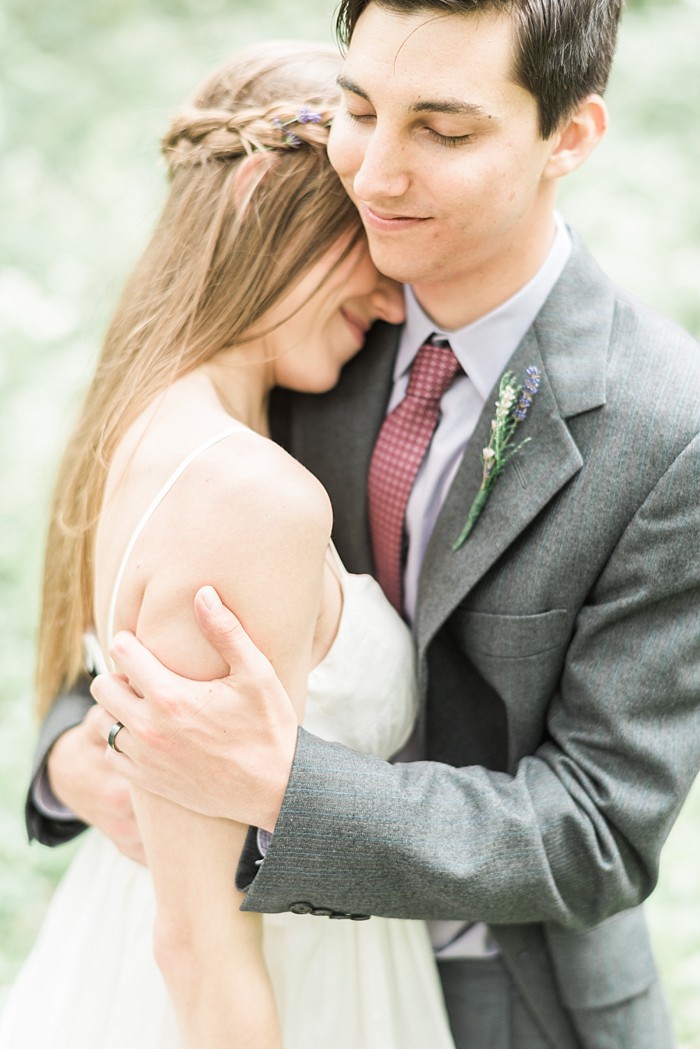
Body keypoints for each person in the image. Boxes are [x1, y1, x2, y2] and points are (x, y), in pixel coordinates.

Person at [27, 2, 700, 1048]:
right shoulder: (303, 328)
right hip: (264, 973)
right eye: (357, 108)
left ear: (568, 137)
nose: (374, 174)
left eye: (442, 129)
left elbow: (598, 831)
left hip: (513, 1002)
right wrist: (73, 751)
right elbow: (153, 602)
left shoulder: (664, 428)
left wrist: (281, 781)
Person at [3, 38, 459, 1049]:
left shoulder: (151, 427)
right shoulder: (247, 491)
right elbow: (199, 948)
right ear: (257, 193)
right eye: (360, 236)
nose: (391, 299)